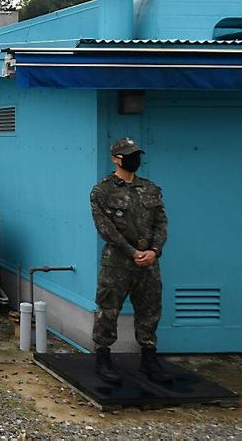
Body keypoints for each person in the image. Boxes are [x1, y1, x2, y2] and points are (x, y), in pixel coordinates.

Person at [90, 137, 171, 384]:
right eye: (129, 155)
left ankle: (149, 358)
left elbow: (161, 223)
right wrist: (132, 252)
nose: (135, 159)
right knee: (108, 309)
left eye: (136, 154)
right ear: (116, 158)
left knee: (150, 309)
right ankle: (103, 356)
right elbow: (106, 229)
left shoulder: (150, 189)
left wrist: (155, 251)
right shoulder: (102, 191)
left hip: (148, 263)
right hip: (118, 263)